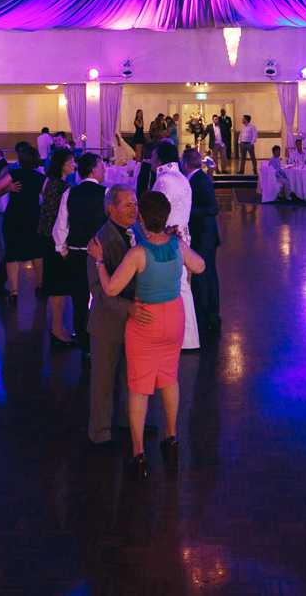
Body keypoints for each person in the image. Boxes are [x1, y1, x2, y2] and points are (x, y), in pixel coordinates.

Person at [92, 190, 205, 479]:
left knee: (139, 388)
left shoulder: (139, 252)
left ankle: (139, 454)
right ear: (166, 217)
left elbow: (111, 289)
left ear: (142, 218)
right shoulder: (177, 244)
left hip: (145, 321)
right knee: (169, 379)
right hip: (174, 319)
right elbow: (200, 266)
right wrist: (177, 241)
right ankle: (171, 437)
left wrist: (99, 262)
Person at [85, 185, 151, 454]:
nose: (135, 209)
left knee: (132, 375)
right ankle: (100, 432)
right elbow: (98, 291)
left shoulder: (137, 230)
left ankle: (128, 420)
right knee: (103, 380)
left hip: (134, 320)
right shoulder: (99, 242)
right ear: (112, 209)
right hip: (107, 323)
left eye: (136, 203)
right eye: (128, 205)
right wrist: (128, 309)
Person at [149, 142, 200, 349]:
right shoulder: (181, 177)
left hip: (168, 239)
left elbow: (156, 213)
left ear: (160, 160)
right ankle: (187, 338)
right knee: (182, 286)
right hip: (182, 237)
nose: (150, 161)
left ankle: (180, 337)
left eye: (153, 157)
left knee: (171, 287)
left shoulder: (164, 180)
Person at [60, 152, 105, 351]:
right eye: (102, 167)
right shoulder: (106, 193)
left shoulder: (70, 193)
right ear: (94, 170)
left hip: (76, 253)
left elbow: (61, 227)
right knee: (102, 299)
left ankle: (85, 346)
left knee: (79, 301)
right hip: (99, 255)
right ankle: (101, 342)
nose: (104, 170)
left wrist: (63, 249)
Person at [38, 148, 79, 346]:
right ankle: (57, 330)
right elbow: (60, 218)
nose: (74, 165)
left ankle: (58, 327)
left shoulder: (53, 183)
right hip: (55, 240)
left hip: (49, 238)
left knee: (57, 287)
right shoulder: (60, 186)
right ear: (61, 164)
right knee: (59, 287)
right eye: (70, 162)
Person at [0, 145, 44, 302]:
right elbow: (47, 197)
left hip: (13, 216)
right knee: (36, 252)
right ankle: (41, 285)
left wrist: (8, 188)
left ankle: (14, 291)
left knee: (12, 253)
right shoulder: (40, 177)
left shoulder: (14, 174)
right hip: (33, 216)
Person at [183, 147, 221, 333]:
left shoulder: (200, 180)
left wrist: (188, 211)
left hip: (205, 234)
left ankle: (203, 320)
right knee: (208, 277)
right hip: (206, 234)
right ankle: (211, 317)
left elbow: (213, 208)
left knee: (203, 279)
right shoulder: (198, 178)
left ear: (185, 165)